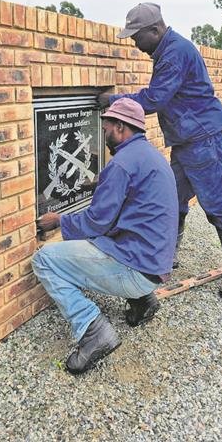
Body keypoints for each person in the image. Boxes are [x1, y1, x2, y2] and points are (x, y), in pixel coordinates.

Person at [97, 2, 222, 300]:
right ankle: (166, 256)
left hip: (203, 137)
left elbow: (155, 99)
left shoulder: (174, 52)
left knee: (215, 200)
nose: (136, 45)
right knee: (171, 198)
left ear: (155, 29)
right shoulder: (166, 50)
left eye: (138, 37)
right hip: (187, 138)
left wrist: (115, 100)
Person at [32, 98, 178, 375]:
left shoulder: (121, 164)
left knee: (44, 259)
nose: (104, 134)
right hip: (155, 265)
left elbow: (95, 223)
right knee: (100, 243)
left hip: (136, 269)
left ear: (121, 127)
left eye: (107, 127)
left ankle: (93, 329)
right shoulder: (150, 156)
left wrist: (59, 220)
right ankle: (143, 301)